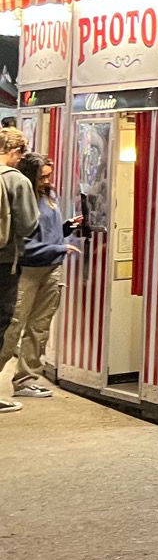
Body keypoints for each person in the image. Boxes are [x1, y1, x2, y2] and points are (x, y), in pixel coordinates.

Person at [0, 154, 72, 400]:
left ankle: (25, 380)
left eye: (49, 175)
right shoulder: (22, 195)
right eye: (42, 176)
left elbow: (47, 232)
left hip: (52, 267)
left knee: (39, 327)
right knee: (13, 326)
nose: (47, 180)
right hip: (27, 269)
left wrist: (65, 230)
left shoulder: (51, 196)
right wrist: (57, 248)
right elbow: (24, 240)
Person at [0, 128, 35, 415]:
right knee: (2, 322)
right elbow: (28, 225)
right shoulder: (16, 181)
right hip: (4, 262)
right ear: (15, 152)